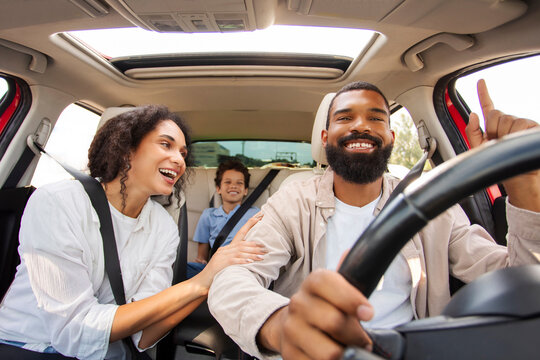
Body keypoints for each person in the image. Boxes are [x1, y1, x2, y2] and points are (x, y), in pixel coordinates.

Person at [208, 80, 540, 359]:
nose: (361, 125)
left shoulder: (431, 203)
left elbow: (518, 284)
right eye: (345, 117)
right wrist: (281, 324)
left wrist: (525, 189)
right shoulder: (293, 201)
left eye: (376, 118)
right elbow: (232, 280)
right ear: (325, 139)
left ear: (392, 137)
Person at [0, 105, 266, 359]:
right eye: (166, 144)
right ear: (126, 148)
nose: (179, 159)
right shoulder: (59, 202)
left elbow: (143, 336)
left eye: (183, 153)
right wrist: (201, 280)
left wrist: (206, 284)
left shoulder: (162, 226)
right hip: (27, 346)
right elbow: (75, 331)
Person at [187, 159, 260, 278]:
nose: (233, 186)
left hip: (243, 266)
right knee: (181, 269)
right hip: (216, 267)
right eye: (227, 182)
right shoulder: (208, 215)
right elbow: (202, 256)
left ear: (245, 190)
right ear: (218, 189)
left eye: (239, 183)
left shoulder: (255, 213)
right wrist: (202, 262)